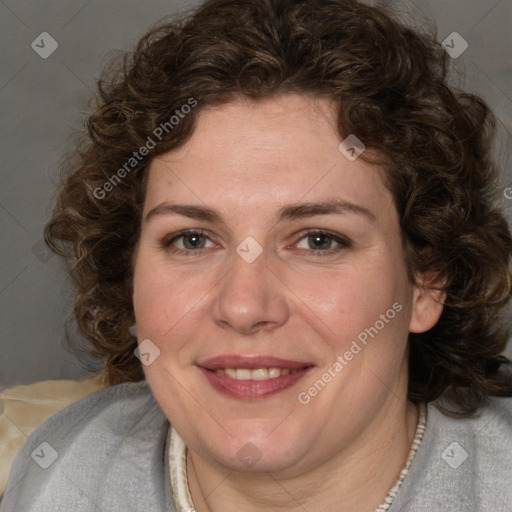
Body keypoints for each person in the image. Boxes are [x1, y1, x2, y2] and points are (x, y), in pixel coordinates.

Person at [1, 0, 511, 510]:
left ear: (427, 282)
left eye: (318, 240)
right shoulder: (59, 470)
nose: (244, 307)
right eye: (192, 240)